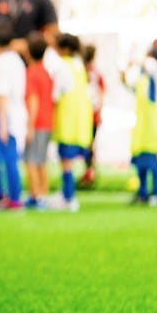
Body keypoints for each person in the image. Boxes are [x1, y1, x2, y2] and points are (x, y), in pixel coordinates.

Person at [0, 19, 27, 210]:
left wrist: (1, 124)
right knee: (3, 158)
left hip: (5, 118)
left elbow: (2, 95)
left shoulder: (3, 63)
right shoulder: (15, 60)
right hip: (10, 116)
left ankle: (13, 197)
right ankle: (2, 193)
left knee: (8, 159)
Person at [51, 34, 94, 212]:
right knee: (71, 161)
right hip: (81, 121)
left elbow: (57, 94)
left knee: (66, 161)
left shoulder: (63, 66)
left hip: (67, 120)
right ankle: (68, 194)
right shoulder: (79, 66)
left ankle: (68, 196)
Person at [128, 49, 157, 206]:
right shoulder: (144, 79)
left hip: (153, 128)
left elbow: (149, 65)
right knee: (140, 163)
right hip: (142, 127)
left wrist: (135, 59)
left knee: (152, 163)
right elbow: (131, 86)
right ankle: (143, 192)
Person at [23, 34, 54, 209]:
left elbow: (33, 101)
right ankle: (43, 194)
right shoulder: (46, 73)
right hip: (48, 122)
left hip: (37, 123)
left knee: (31, 161)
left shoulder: (31, 73)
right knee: (41, 160)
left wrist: (30, 126)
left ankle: (36, 196)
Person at [79, 45, 106, 188]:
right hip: (93, 115)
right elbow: (101, 96)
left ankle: (89, 174)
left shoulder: (83, 72)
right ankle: (89, 173)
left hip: (85, 115)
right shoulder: (95, 73)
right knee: (89, 145)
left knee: (87, 146)